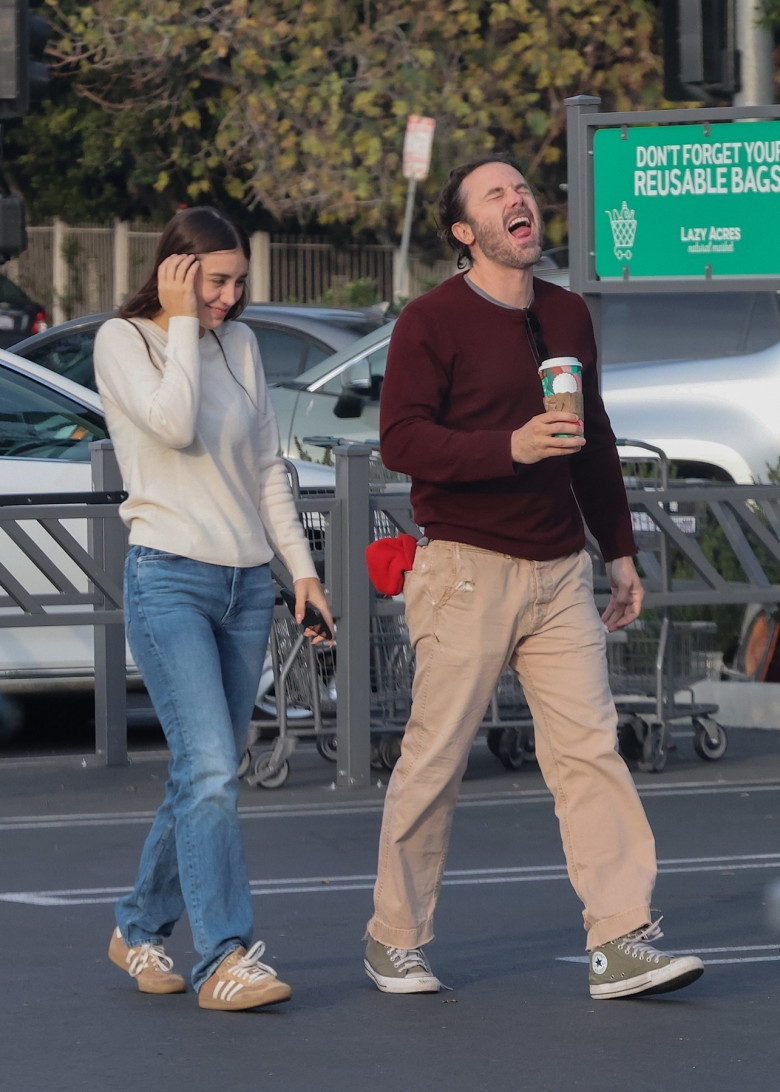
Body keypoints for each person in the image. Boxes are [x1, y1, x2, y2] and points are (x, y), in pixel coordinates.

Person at [363, 155, 704, 1000]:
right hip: (465, 570)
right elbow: (401, 441)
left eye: (522, 190)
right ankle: (393, 938)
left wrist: (617, 549)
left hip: (560, 572)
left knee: (590, 753)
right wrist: (504, 449)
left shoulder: (566, 313)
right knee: (435, 760)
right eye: (495, 194)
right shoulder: (431, 320)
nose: (519, 201)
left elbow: (591, 433)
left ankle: (621, 937)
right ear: (464, 231)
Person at [95, 206, 334, 1011]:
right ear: (176, 270)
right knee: (208, 773)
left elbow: (267, 465)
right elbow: (169, 425)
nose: (230, 297)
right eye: (215, 281)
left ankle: (136, 926)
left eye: (237, 283)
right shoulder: (124, 341)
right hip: (167, 576)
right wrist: (184, 325)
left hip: (242, 588)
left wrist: (301, 574)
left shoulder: (245, 344)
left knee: (205, 775)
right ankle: (225, 956)